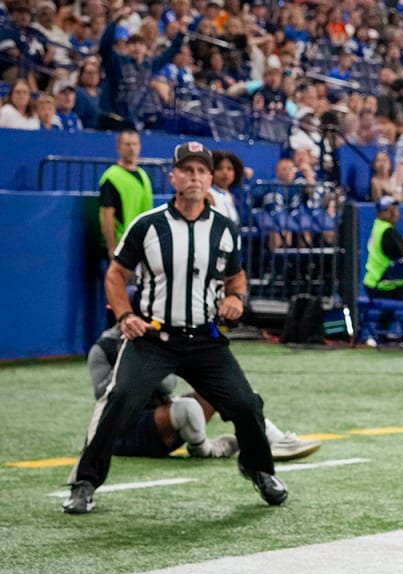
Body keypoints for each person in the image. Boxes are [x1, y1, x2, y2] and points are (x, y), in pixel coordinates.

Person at [64, 142, 286, 515]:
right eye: (188, 170)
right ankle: (85, 483)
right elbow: (116, 274)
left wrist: (237, 300)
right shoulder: (148, 225)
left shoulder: (225, 229)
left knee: (246, 405)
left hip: (205, 340)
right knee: (118, 401)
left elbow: (237, 278)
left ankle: (259, 470)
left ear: (211, 178)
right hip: (154, 338)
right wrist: (124, 316)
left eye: (202, 170)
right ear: (174, 176)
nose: (195, 177)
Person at [89, 325, 322, 462]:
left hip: (160, 413)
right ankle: (206, 449)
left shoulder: (157, 338)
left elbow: (168, 384)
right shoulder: (103, 347)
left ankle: (274, 439)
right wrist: (129, 369)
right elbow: (104, 395)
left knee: (231, 392)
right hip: (127, 430)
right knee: (187, 410)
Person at [98, 128, 153, 278]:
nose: (131, 148)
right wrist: (112, 249)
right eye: (127, 144)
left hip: (140, 246)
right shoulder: (111, 177)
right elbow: (107, 214)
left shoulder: (143, 175)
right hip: (122, 247)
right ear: (118, 147)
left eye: (135, 144)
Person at [210, 150, 246, 226]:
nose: (225, 172)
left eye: (229, 169)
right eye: (219, 168)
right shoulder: (208, 194)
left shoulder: (231, 196)